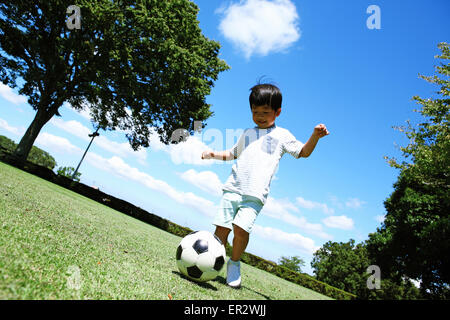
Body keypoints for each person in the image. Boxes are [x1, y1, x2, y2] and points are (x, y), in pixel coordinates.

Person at [201, 83, 329, 288]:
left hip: (255, 195)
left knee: (241, 230)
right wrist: (212, 154)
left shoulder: (282, 136)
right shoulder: (248, 133)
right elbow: (232, 154)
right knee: (222, 229)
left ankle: (234, 263)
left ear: (277, 112)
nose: (260, 116)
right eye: (255, 112)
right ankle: (211, 262)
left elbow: (303, 152)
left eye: (265, 112)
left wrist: (315, 136)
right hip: (233, 188)